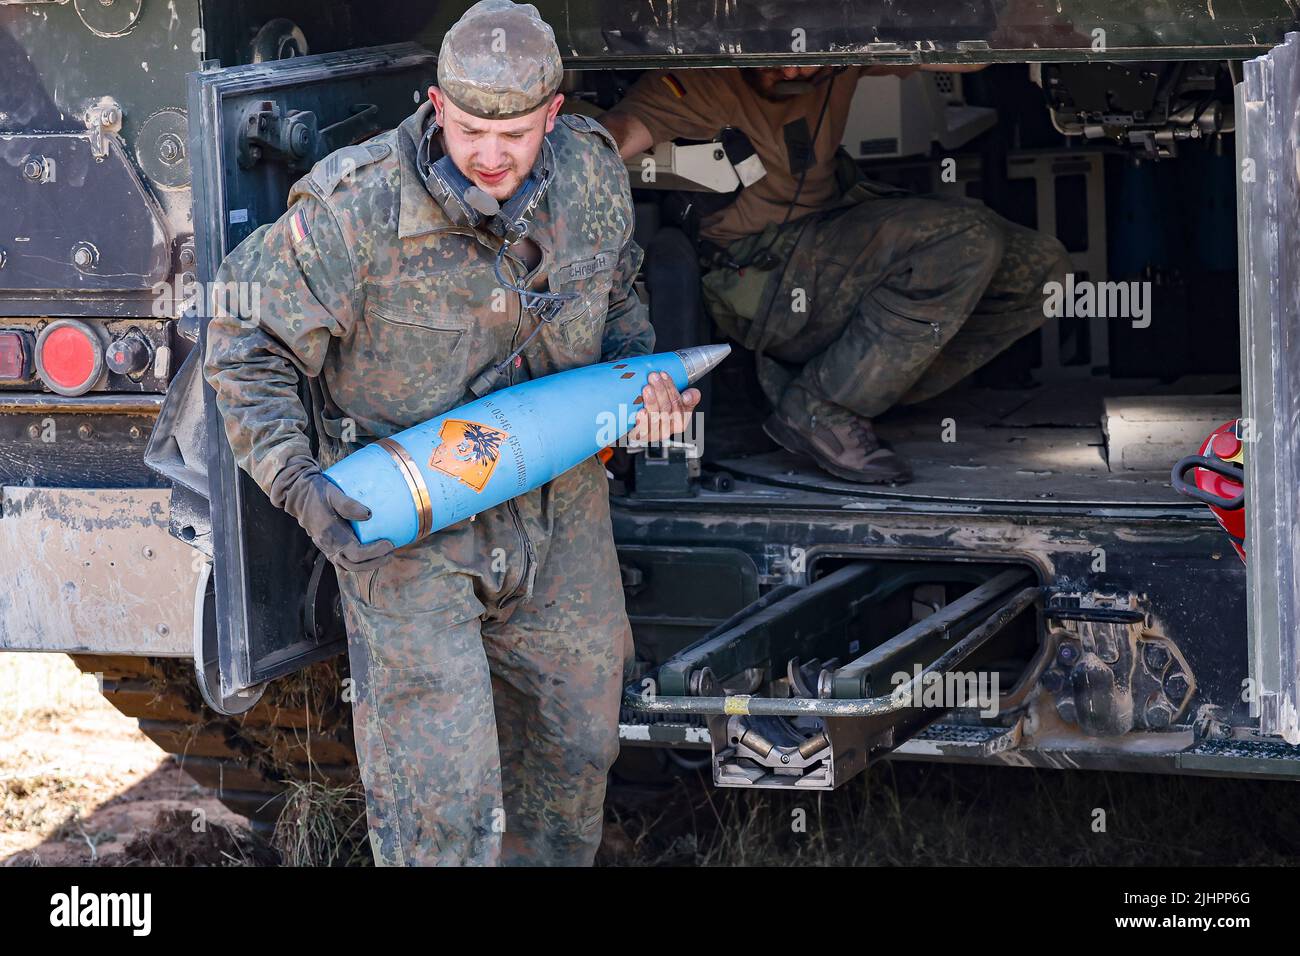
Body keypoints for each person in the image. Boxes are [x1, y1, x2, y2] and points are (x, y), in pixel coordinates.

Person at [203, 0, 698, 866]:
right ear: (435, 104)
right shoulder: (357, 209)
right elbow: (245, 339)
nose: (491, 156)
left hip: (560, 511)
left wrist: (639, 385)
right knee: (443, 805)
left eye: (515, 135)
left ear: (554, 113)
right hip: (412, 523)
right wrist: (295, 481)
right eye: (470, 131)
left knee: (576, 755)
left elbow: (618, 297)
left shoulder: (591, 173)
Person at [602, 65, 1071, 484]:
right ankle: (822, 408)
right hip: (764, 279)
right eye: (778, 56)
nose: (791, 71)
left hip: (832, 237)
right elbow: (611, 141)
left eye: (807, 59)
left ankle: (866, 387)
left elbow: (965, 56)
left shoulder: (841, 57)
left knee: (1041, 271)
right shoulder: (700, 78)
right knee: (963, 239)